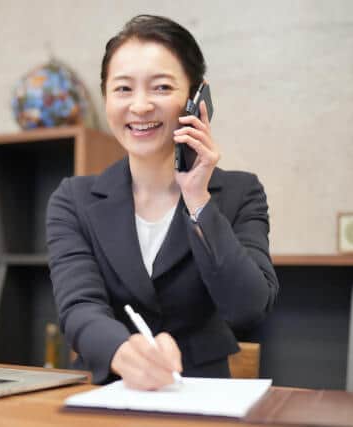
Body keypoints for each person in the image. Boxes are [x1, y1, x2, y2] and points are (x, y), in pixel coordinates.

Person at [46, 14, 279, 390]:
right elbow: (78, 307)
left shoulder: (241, 193)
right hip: (106, 391)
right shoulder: (73, 199)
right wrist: (125, 352)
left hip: (202, 394)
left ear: (196, 99)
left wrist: (197, 198)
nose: (139, 106)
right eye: (123, 89)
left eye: (160, 87)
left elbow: (249, 308)